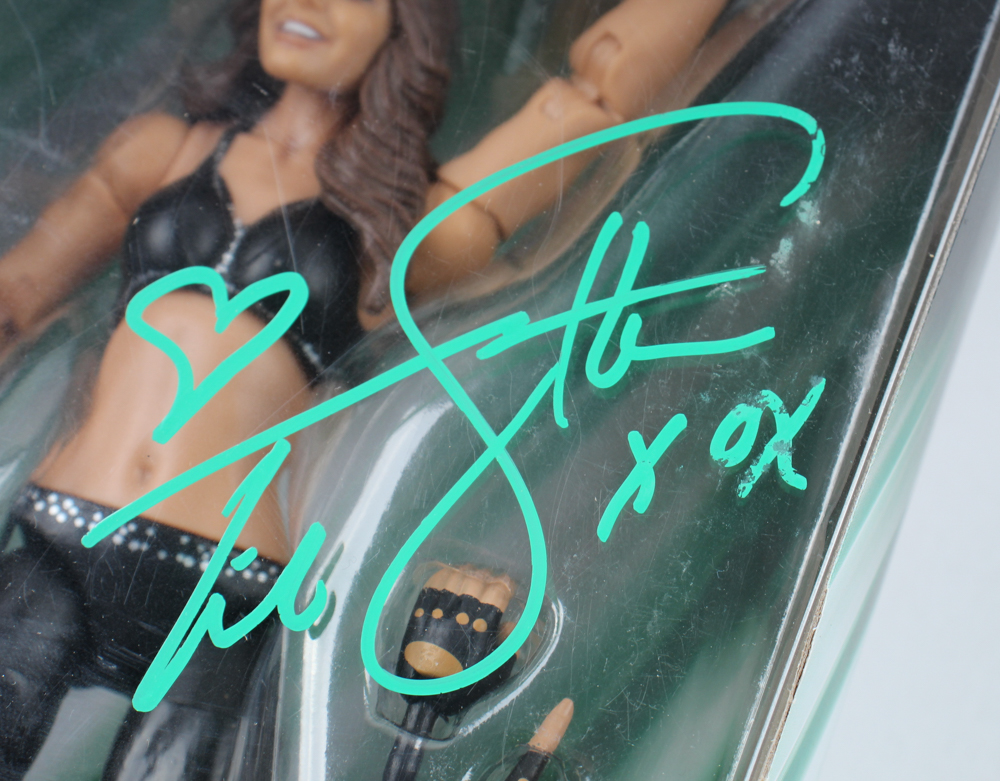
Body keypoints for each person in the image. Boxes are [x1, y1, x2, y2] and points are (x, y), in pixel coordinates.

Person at [0, 0, 728, 777]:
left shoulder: (400, 222)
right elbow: (18, 296)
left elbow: (593, 101)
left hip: (226, 591)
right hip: (59, 540)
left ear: (403, 26)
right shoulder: (165, 149)